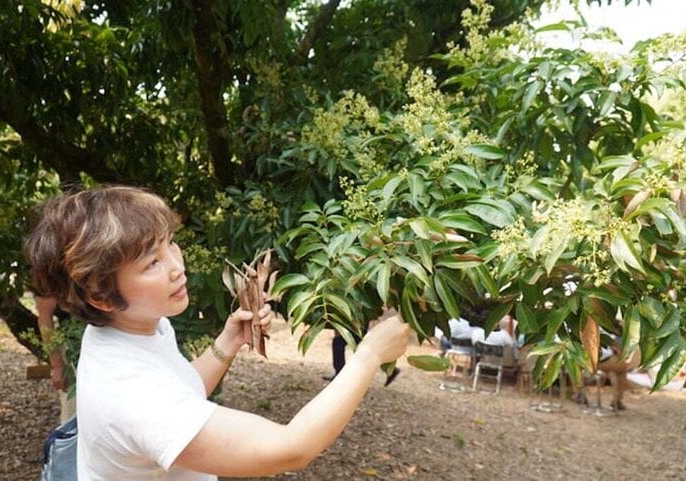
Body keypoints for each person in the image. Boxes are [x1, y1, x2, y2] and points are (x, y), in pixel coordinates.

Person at [25, 185, 411, 480]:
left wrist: (228, 342)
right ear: (102, 297)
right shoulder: (133, 396)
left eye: (170, 245)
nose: (177, 265)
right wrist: (369, 355)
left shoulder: (130, 327)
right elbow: (290, 448)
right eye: (151, 263)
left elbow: (179, 388)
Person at [35, 295, 76, 423]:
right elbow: (45, 317)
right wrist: (57, 365)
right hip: (72, 348)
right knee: (73, 412)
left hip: (114, 344)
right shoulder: (51, 276)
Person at [323, 329, 401, 387]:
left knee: (339, 343)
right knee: (340, 342)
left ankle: (339, 374)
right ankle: (391, 369)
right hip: (356, 322)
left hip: (356, 321)